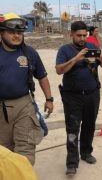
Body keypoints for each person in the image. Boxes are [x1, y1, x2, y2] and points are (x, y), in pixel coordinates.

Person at [55, 21, 102, 176]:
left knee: (89, 125)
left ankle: (86, 152)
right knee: (72, 129)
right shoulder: (65, 50)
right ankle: (72, 163)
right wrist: (76, 59)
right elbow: (59, 70)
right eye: (79, 35)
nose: (82, 38)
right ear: (71, 34)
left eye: (85, 35)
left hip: (92, 94)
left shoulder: (93, 47)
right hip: (72, 96)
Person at [0, 13, 54, 165]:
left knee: (25, 152)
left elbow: (42, 77)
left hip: (24, 105)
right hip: (1, 109)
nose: (16, 36)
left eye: (20, 32)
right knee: (4, 153)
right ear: (2, 33)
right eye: (12, 32)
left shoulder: (30, 53)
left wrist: (49, 99)